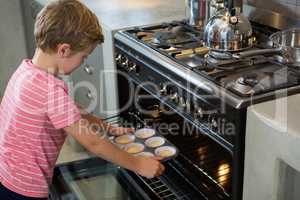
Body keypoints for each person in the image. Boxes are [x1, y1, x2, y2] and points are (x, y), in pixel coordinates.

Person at [0, 0, 165, 199]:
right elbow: (93, 143)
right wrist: (138, 164)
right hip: (24, 188)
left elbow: (72, 111)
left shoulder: (27, 72)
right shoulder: (49, 90)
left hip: (7, 173)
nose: (83, 62)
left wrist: (107, 127)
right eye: (84, 56)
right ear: (63, 50)